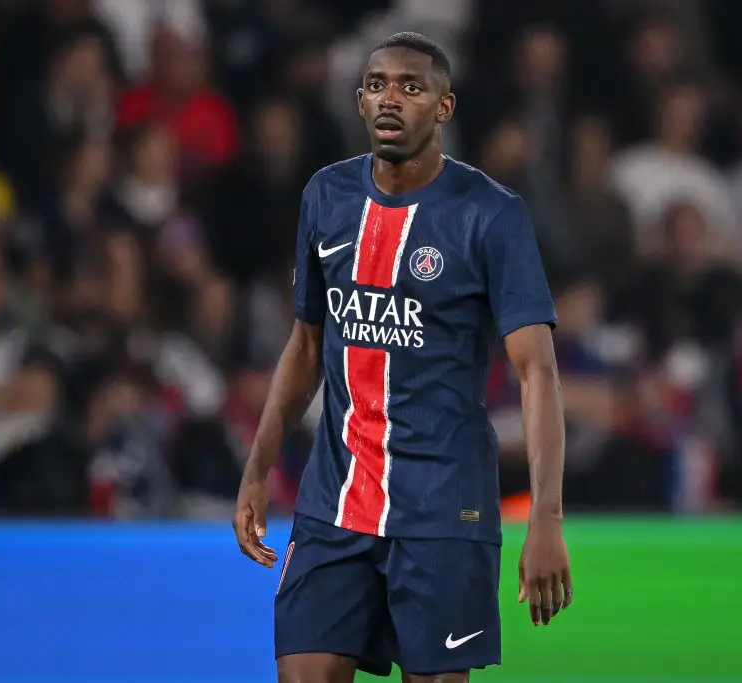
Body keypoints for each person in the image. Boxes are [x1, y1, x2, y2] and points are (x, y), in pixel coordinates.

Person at [232, 32, 573, 683]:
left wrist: (547, 518)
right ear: (360, 101)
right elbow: (305, 343)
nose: (390, 98)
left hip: (445, 510)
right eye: (377, 84)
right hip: (335, 502)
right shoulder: (326, 197)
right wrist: (258, 468)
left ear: (443, 107)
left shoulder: (491, 215)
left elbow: (537, 370)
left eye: (411, 87)